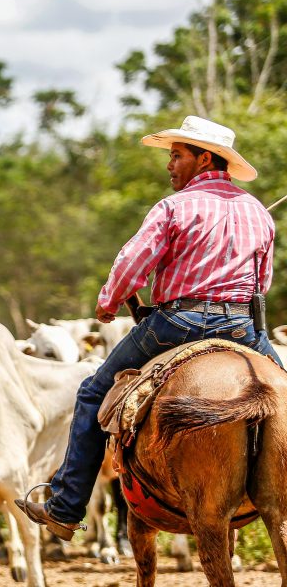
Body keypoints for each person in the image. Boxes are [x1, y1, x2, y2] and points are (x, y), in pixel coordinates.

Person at [16, 115, 283, 539]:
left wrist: (107, 304)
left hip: (177, 323)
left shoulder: (173, 207)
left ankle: (66, 507)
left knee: (91, 393)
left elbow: (131, 265)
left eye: (177, 156)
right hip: (242, 328)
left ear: (204, 158)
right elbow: (262, 282)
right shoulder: (258, 213)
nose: (169, 165)